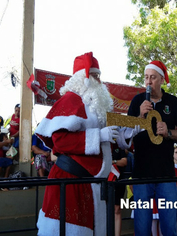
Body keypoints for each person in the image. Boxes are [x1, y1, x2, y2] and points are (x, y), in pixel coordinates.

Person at [35, 52, 137, 235]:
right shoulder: (71, 100)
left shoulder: (96, 106)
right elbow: (60, 141)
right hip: (71, 183)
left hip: (92, 184)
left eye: (99, 75)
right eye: (94, 75)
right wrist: (98, 136)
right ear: (82, 78)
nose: (99, 80)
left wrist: (124, 136)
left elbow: (106, 142)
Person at [127, 60, 177, 236]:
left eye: (153, 78)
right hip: (141, 175)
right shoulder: (137, 101)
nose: (148, 82)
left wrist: (168, 132)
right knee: (142, 226)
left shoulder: (173, 101)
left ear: (161, 80)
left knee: (170, 226)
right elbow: (124, 134)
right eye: (146, 77)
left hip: (166, 174)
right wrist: (139, 115)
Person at [111, 143, 127, 236]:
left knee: (117, 209)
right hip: (104, 181)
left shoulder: (119, 145)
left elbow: (124, 161)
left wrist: (113, 161)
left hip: (118, 180)